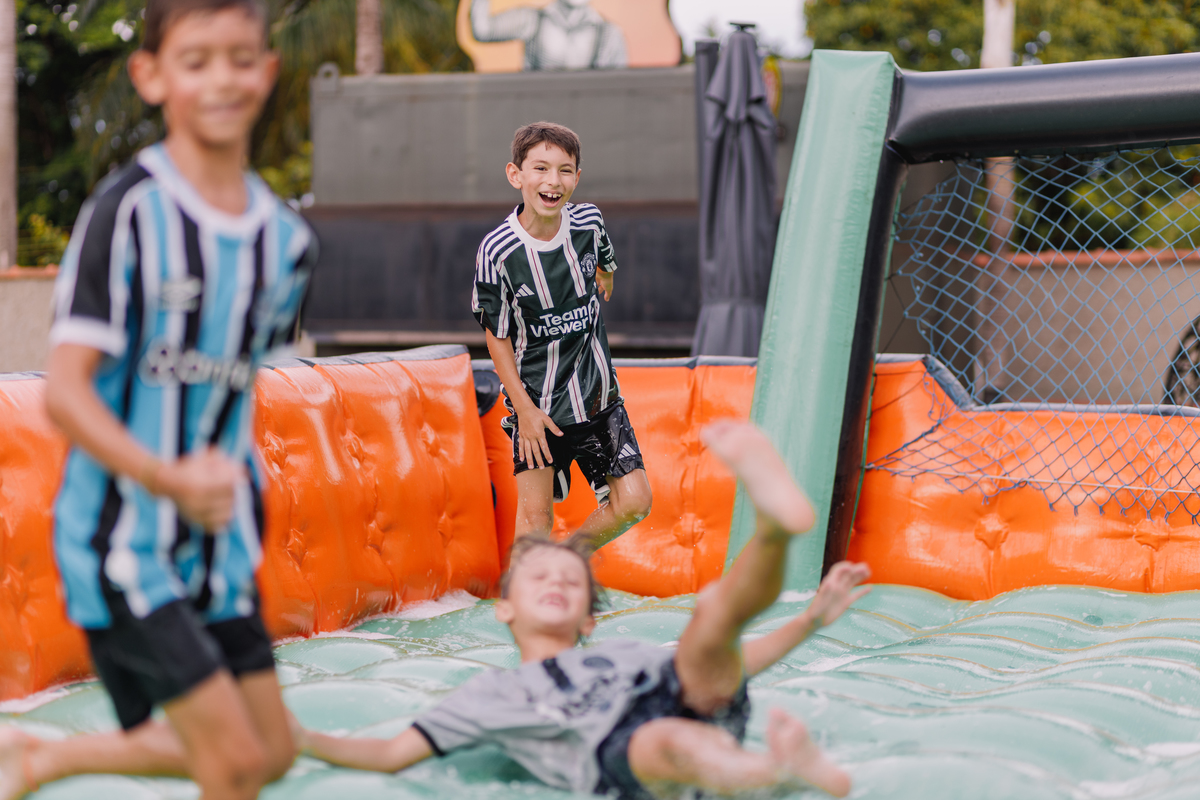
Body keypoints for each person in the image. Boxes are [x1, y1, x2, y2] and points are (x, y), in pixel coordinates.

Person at [0, 0, 314, 797]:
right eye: (196, 59)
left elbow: (238, 395)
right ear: (150, 76)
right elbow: (67, 393)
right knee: (235, 767)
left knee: (269, 754)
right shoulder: (128, 213)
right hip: (123, 545)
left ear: (268, 72)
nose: (222, 79)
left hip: (221, 552)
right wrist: (168, 478)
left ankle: (51, 757)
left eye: (240, 57)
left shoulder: (287, 242)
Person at [293, 420, 870, 799]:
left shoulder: (622, 653)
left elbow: (731, 661)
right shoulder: (491, 698)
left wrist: (809, 621)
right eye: (538, 576)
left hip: (682, 694)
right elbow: (392, 753)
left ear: (590, 621)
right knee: (668, 738)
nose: (556, 581)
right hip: (619, 747)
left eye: (571, 579)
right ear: (504, 610)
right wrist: (302, 738)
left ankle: (774, 530)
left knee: (712, 620)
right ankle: (778, 773)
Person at [474, 122, 652, 548]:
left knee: (635, 502)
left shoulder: (588, 222)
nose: (553, 181)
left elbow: (606, 256)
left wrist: (605, 275)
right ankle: (520, 609)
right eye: (541, 168)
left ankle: (566, 562)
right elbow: (496, 336)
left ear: (576, 177)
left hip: (599, 400)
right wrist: (525, 412)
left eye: (565, 170)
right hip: (539, 410)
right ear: (516, 175)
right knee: (535, 524)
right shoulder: (497, 252)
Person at [470, 0, 627, 71]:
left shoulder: (610, 34)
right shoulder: (531, 20)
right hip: (539, 125)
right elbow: (483, 30)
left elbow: (621, 94)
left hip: (590, 126)